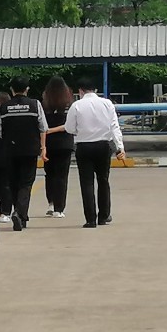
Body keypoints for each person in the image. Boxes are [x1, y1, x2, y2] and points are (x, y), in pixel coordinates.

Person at [62, 77, 127, 228]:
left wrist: (80, 130)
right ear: (95, 90)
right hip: (103, 146)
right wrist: (120, 147)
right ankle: (104, 216)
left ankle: (90, 219)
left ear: (80, 91)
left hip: (84, 147)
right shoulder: (107, 103)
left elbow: (69, 128)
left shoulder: (76, 106)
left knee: (87, 183)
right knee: (103, 181)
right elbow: (114, 127)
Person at [0, 76, 48, 231]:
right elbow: (43, 127)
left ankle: (19, 213)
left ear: (11, 89)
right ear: (27, 89)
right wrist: (42, 146)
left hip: (10, 150)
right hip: (30, 150)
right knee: (26, 183)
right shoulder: (35, 104)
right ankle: (20, 213)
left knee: (13, 183)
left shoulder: (3, 107)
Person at [41, 76, 75, 218]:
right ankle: (59, 209)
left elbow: (41, 124)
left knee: (49, 174)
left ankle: (51, 203)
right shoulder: (69, 104)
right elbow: (70, 125)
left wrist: (47, 132)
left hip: (48, 143)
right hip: (65, 143)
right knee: (62, 176)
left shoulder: (44, 104)